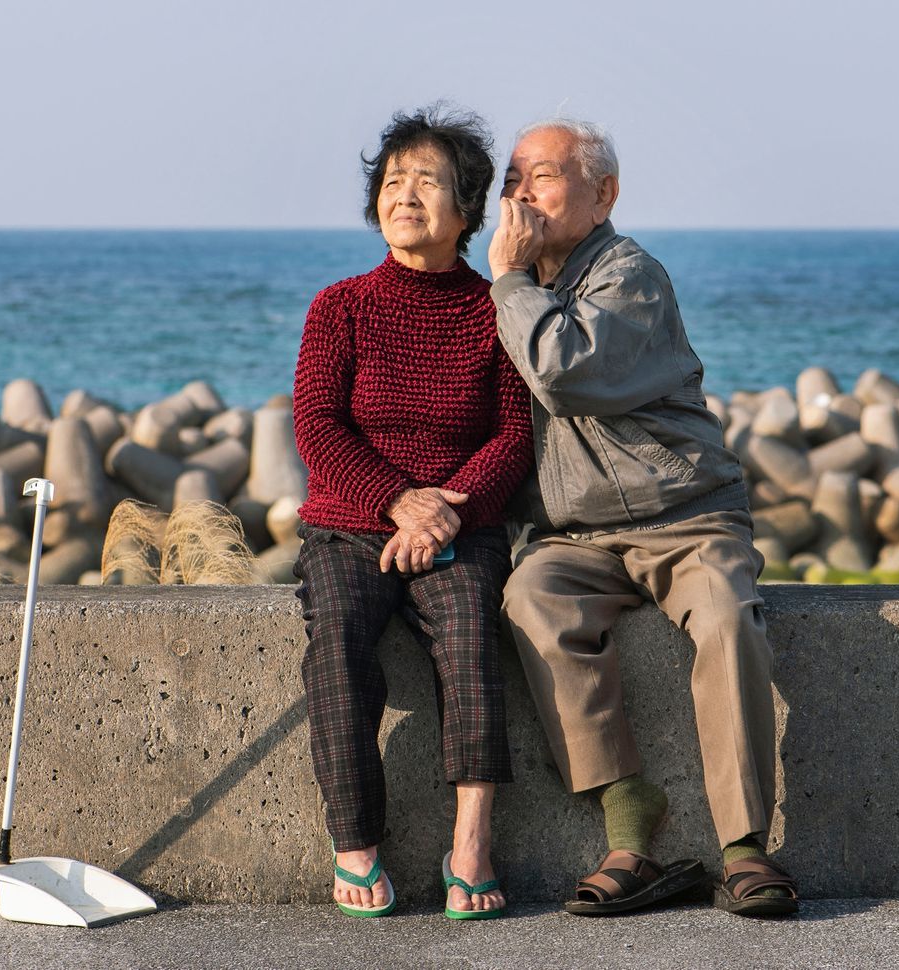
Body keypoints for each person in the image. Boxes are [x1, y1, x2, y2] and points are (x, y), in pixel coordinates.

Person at [487, 119, 799, 917]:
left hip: (687, 516)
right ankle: (630, 819)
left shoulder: (630, 274)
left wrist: (511, 285)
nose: (521, 195)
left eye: (543, 177)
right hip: (576, 537)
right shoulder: (511, 290)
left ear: (605, 194)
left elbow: (566, 374)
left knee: (728, 618)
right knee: (531, 601)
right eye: (511, 180)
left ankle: (745, 849)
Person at [292, 106, 532, 920]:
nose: (405, 194)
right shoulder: (341, 306)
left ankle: (471, 846)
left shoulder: (496, 310)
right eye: (393, 181)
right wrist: (398, 503)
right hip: (350, 524)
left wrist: (442, 517)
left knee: (469, 632)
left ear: (467, 210)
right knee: (338, 643)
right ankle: (356, 844)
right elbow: (318, 427)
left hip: (461, 525)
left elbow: (514, 434)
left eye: (427, 181)